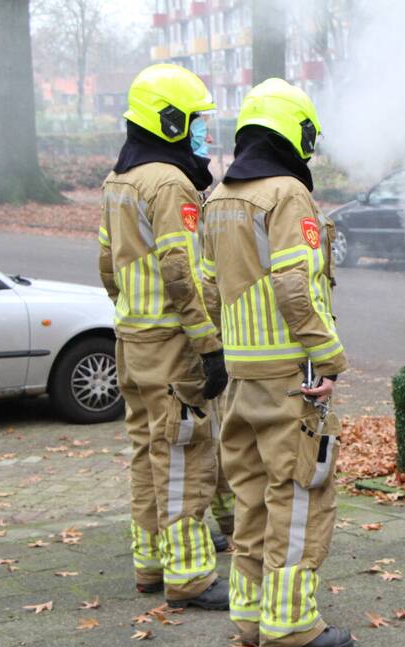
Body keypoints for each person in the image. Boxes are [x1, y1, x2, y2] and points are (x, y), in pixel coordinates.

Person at [201, 78, 352, 647]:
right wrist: (328, 355)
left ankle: (251, 615)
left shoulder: (218, 199)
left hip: (242, 379)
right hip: (291, 378)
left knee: (252, 496)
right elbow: (294, 283)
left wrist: (225, 352)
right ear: (296, 132)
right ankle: (289, 625)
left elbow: (210, 286)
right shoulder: (286, 194)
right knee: (299, 499)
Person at [97, 63, 229, 609]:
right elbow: (182, 271)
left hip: (131, 342)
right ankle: (191, 575)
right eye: (196, 121)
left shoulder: (118, 181)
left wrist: (130, 313)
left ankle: (150, 563)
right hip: (174, 346)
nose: (203, 132)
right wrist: (209, 343)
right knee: (183, 456)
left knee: (145, 453)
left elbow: (107, 263)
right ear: (170, 121)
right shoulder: (170, 183)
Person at [188, 111, 237, 550]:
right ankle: (217, 522)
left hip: (198, 333)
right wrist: (210, 343)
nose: (205, 142)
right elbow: (199, 279)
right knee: (203, 442)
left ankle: (227, 523)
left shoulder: (205, 195)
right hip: (195, 338)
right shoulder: (175, 191)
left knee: (212, 438)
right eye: (199, 133)